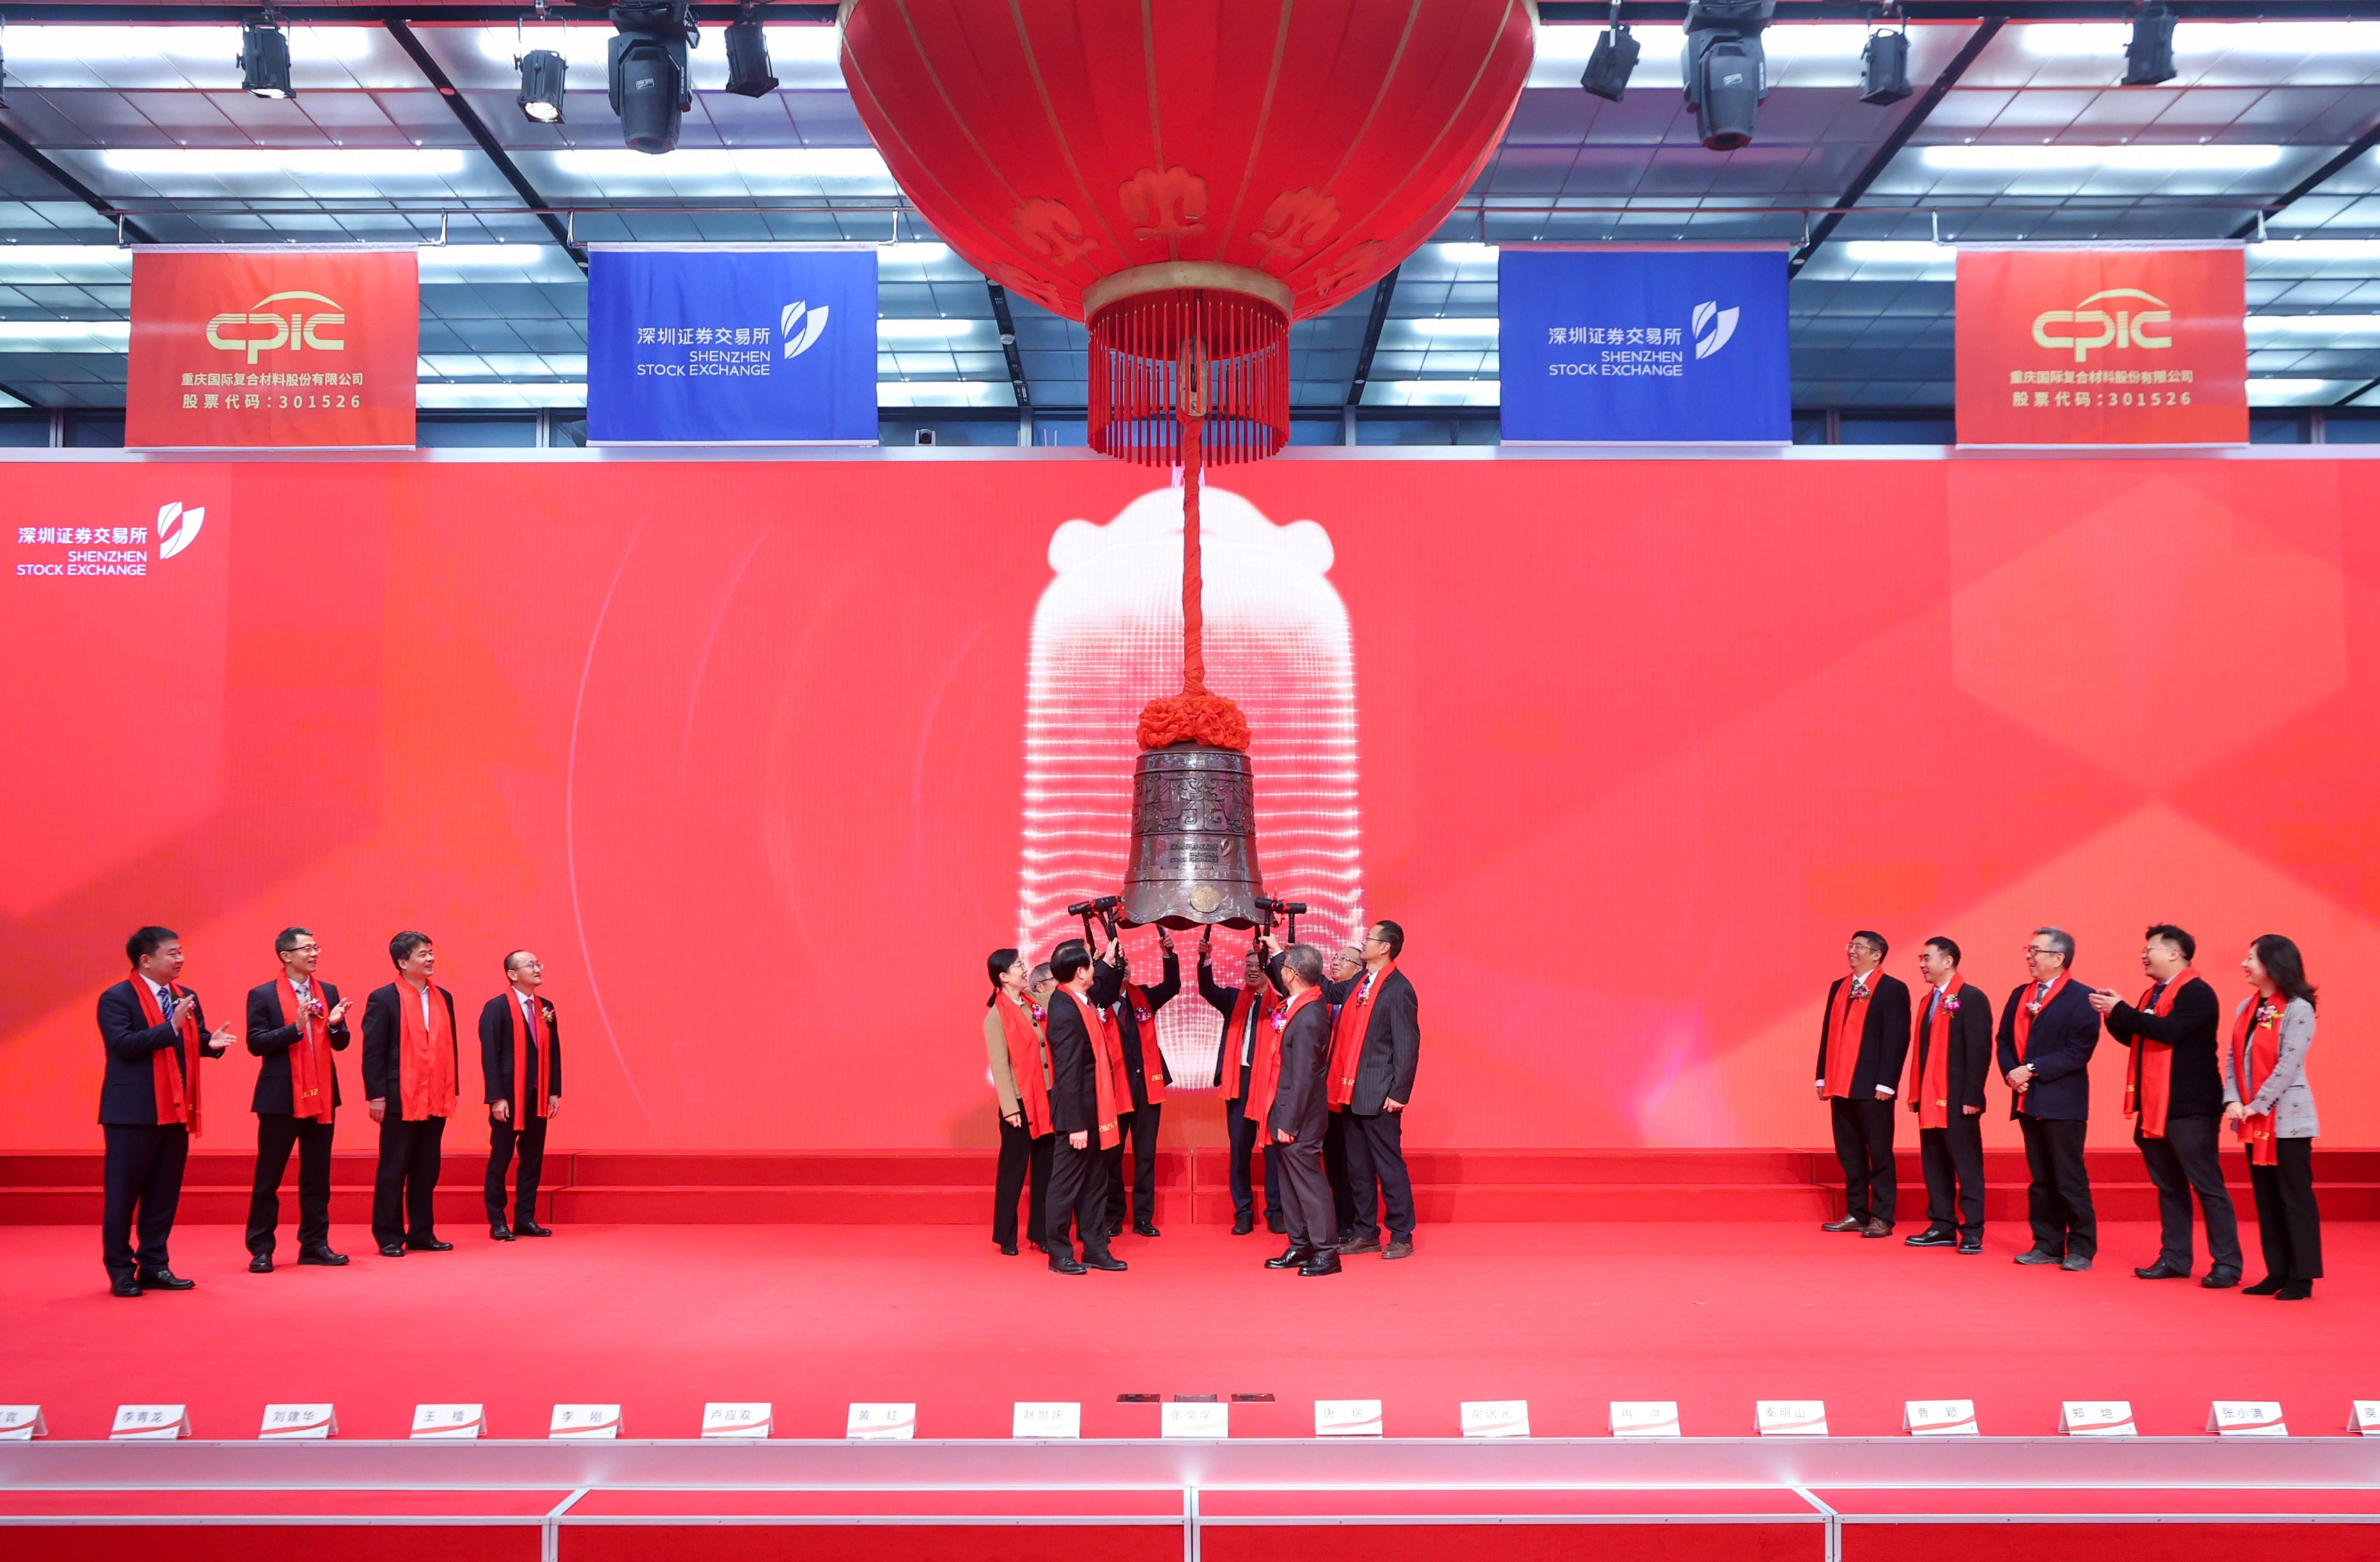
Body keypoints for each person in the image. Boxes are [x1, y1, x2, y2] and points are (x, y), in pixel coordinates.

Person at [2090, 925, 2239, 1287]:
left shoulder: (2197, 992)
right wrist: (2113, 1014)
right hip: (2155, 1105)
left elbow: (2168, 1031)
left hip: (2190, 1107)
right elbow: (2136, 1036)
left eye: (2151, 949)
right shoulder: (2153, 994)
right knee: (2170, 1187)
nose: (2144, 955)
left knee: (2207, 1186)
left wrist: (2121, 1010)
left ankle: (2227, 1264)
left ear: (2175, 953)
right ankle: (2174, 1257)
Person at [97, 927, 233, 1296]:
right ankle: (120, 1270)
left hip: (175, 1108)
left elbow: (190, 1041)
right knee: (123, 1195)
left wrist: (210, 1044)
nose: (180, 959)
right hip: (132, 1113)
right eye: (172, 953)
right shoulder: (116, 998)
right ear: (146, 960)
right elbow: (122, 1045)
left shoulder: (184, 996)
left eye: (180, 952)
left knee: (163, 1193)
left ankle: (155, 1265)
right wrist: (170, 1026)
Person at [242, 927, 352, 1272]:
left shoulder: (328, 991)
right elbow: (255, 1043)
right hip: (280, 1098)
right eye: (307, 948)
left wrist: (334, 1025)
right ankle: (261, 1248)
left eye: (316, 947)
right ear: (286, 956)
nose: (315, 953)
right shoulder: (262, 995)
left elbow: (341, 1043)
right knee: (269, 1178)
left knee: (317, 1175)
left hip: (322, 1096)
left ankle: (315, 1244)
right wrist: (296, 1028)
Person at [1998, 925, 2100, 1271]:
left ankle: (2081, 1248)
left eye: (2036, 951)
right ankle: (2047, 1244)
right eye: (2028, 950)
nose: (2029, 956)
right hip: (2028, 1100)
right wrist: (2012, 1073)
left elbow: (2079, 1051)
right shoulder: (2019, 994)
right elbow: (2003, 1041)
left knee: (2069, 1178)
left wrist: (2031, 1069)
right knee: (2041, 1179)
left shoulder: (2082, 997)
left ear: (2058, 958)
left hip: (2063, 1103)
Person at [1319, 920, 1420, 1260]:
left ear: (1385, 948)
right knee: (1358, 1168)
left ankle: (1401, 1234)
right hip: (1350, 1091)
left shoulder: (1398, 989)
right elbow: (1329, 992)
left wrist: (1399, 1093)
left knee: (1388, 1167)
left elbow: (1407, 1045)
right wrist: (1282, 956)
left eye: (1369, 939)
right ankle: (1366, 1233)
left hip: (1380, 1095)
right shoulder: (1360, 981)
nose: (1364, 943)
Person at [2228, 934, 2322, 1299]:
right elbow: (2233, 1060)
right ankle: (2277, 1271)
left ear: (2273, 964)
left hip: (2288, 1121)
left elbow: (2289, 1062)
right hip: (2253, 1118)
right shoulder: (2246, 1008)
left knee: (2294, 1197)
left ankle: (2302, 1276)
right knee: (2266, 1199)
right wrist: (2233, 1100)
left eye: (2251, 958)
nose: (2244, 964)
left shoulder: (2299, 1008)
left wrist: (2259, 1103)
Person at [362, 931, 461, 1258]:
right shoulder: (383, 998)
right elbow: (373, 1051)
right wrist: (376, 1095)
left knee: (427, 1168)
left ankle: (422, 1232)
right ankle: (389, 1235)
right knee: (394, 1168)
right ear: (403, 962)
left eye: (431, 952)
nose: (430, 959)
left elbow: (451, 1048)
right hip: (398, 1096)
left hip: (435, 1094)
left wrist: (452, 1089)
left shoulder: (443, 997)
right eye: (423, 954)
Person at [1814, 931, 1912, 1238]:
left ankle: (1882, 1216)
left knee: (1879, 1152)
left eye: (1858, 947)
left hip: (1873, 1086)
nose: (1852, 951)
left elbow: (1897, 1039)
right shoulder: (1839, 987)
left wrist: (1887, 1083)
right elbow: (1828, 1033)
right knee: (1849, 1152)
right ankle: (1856, 1212)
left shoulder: (1892, 989)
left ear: (1877, 954)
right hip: (1840, 1082)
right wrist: (1822, 1075)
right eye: (1850, 946)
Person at [1039, 939, 1127, 1275]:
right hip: (1077, 1116)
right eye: (1092, 963)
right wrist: (1076, 1124)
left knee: (1094, 1184)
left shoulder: (1080, 999)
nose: (1095, 968)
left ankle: (1095, 1248)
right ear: (1080, 972)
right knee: (1065, 1186)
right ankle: (1060, 1253)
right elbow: (1068, 1073)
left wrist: (1109, 960)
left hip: (1096, 1111)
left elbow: (1104, 986)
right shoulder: (1065, 1009)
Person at [1252, 944, 1339, 1276]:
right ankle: (1301, 1245)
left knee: (1309, 1184)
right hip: (1285, 1109)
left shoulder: (1308, 1017)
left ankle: (1326, 1252)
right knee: (1289, 1183)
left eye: (1284, 966)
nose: (1281, 972)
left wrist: (1289, 1121)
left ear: (1291, 975)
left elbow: (1305, 1077)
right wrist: (1275, 950)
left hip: (1299, 1117)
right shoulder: (1302, 1005)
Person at [1902, 936, 1991, 1255]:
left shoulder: (1972, 998)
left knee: (1966, 1165)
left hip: (1958, 1099)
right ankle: (1942, 1224)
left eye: (1927, 958)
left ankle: (1973, 1230)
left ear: (1948, 961)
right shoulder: (1928, 1001)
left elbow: (1979, 1051)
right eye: (1921, 959)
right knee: (1935, 1163)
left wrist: (1972, 1096)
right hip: (1930, 1096)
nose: (1922, 965)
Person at [1199, 928, 1284, 1237]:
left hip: (1271, 1081)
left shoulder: (1282, 1001)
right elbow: (1207, 989)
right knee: (1239, 1149)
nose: (1251, 970)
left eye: (1257, 965)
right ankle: (1243, 1211)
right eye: (1247, 966)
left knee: (1273, 1150)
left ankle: (1276, 1211)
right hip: (1240, 1080)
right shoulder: (1234, 999)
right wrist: (1205, 960)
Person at [1096, 929, 1179, 1239]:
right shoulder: (1096, 1003)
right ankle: (1113, 1215)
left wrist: (1168, 956)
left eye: (1128, 963)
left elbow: (1172, 986)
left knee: (1145, 1156)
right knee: (1112, 1157)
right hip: (1114, 1091)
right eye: (1120, 964)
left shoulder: (1142, 996)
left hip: (1146, 1090)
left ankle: (1144, 1218)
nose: (1126, 968)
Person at [479, 950, 561, 1242]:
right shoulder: (496, 1008)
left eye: (538, 964)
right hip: (509, 1096)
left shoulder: (546, 1007)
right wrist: (496, 1097)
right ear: (512, 974)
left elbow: (554, 1051)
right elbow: (490, 1056)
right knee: (500, 1159)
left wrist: (553, 1091)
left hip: (537, 1095)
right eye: (531, 965)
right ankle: (498, 1221)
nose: (538, 968)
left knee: (532, 1160)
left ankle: (525, 1218)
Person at [984, 947, 1053, 1257]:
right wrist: (1010, 1108)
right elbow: (1000, 1067)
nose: (1024, 969)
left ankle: (1040, 1232)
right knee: (1013, 1171)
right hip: (1019, 1103)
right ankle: (1006, 1236)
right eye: (1018, 966)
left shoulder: (1032, 1003)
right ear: (1003, 977)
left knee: (1045, 1169)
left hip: (1045, 1096)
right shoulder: (996, 1016)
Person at [1319, 942, 1364, 1241]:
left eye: (1344, 959)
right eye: (1335, 957)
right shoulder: (1321, 1001)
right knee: (1332, 1158)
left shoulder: (1360, 1001)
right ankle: (1338, 1218)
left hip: (1350, 1093)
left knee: (1353, 1161)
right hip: (1322, 1094)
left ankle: (1355, 1221)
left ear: (1359, 971)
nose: (1336, 962)